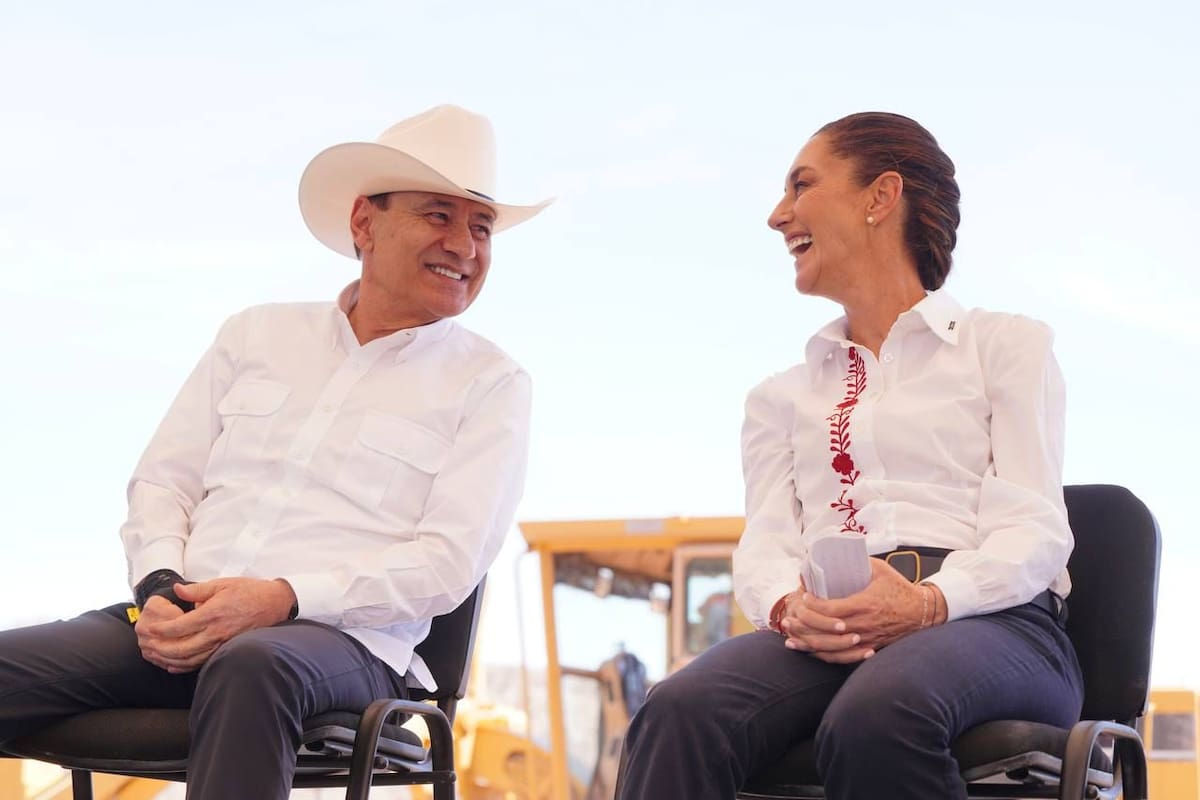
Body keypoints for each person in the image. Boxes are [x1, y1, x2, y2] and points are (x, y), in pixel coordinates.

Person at [0, 104, 550, 800]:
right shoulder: (254, 336)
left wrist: (281, 599)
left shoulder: (490, 384)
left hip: (343, 648)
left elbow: (447, 563)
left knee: (254, 664)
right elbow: (162, 482)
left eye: (481, 227)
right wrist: (159, 587)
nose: (466, 247)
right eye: (439, 216)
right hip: (181, 617)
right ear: (364, 224)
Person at [616, 112, 1083, 799]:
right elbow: (766, 544)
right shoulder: (780, 397)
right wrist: (785, 608)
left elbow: (1033, 533)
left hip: (997, 625)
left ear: (879, 197)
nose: (779, 216)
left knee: (878, 713)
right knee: (676, 710)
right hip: (833, 629)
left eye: (801, 185)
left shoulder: (1006, 348)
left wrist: (925, 603)